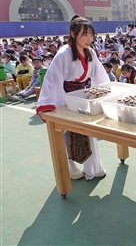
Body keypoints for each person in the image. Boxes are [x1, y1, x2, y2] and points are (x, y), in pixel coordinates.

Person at [36, 15, 109, 181]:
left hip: (82, 96)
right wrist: (52, 104)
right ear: (73, 34)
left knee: (88, 131)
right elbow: (52, 79)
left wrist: (108, 93)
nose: (89, 39)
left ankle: (94, 168)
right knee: (66, 132)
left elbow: (99, 75)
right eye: (85, 35)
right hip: (65, 98)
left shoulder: (90, 52)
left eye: (91, 35)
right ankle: (70, 167)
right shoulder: (63, 54)